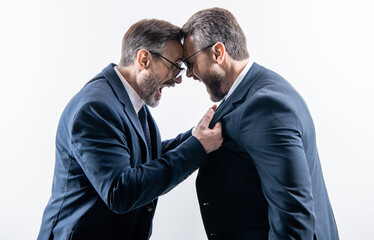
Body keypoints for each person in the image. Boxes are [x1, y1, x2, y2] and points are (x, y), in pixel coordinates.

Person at [37, 19, 223, 240]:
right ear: (144, 59)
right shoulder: (95, 108)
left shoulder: (129, 101)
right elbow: (120, 191)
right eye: (174, 65)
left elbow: (145, 158)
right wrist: (197, 148)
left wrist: (197, 135)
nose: (178, 78)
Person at [182, 7, 339, 240]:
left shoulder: (265, 107)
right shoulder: (257, 89)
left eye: (191, 62)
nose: (189, 74)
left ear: (218, 53)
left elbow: (293, 220)